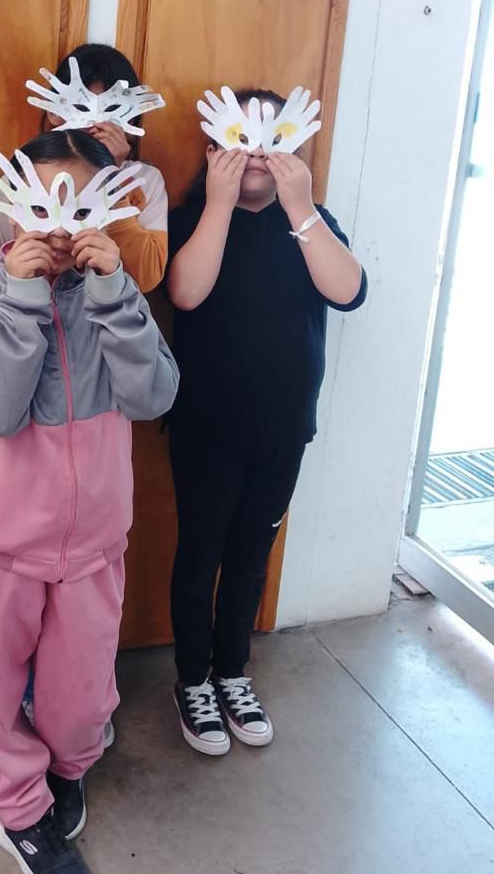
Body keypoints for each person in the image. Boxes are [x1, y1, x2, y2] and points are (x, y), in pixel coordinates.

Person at [0, 130, 178, 874]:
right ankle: (20, 809)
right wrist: (21, 301)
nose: (54, 223)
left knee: (81, 699)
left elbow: (153, 396)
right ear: (10, 205)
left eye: (78, 203)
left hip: (94, 543)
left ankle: (67, 768)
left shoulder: (119, 298)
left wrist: (114, 296)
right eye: (37, 201)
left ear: (108, 208)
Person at [165, 88, 367, 755]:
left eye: (271, 139)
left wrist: (301, 208)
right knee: (201, 554)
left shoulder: (310, 221)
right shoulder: (191, 218)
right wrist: (219, 203)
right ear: (213, 148)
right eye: (238, 138)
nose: (254, 152)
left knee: (251, 557)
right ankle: (193, 680)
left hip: (284, 428)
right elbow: (185, 292)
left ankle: (232, 671)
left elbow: (349, 292)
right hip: (206, 428)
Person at [0, 44, 168, 292]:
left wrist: (110, 177)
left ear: (133, 117)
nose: (96, 122)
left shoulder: (145, 180)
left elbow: (145, 277)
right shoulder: (22, 178)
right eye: (82, 108)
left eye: (112, 110)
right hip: (30, 305)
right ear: (54, 113)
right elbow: (0, 267)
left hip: (109, 308)